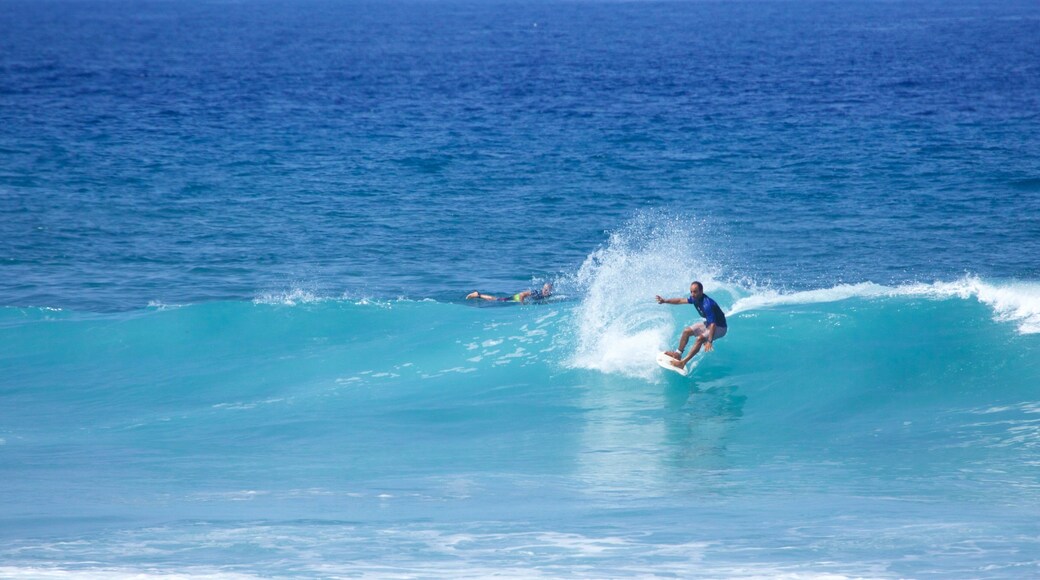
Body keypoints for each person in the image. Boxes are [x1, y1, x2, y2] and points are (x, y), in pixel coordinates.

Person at [656, 281, 727, 370]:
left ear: (701, 291)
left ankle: (683, 363)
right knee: (687, 331)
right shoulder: (695, 299)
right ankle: (678, 354)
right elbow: (680, 300)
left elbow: (713, 325)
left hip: (720, 327)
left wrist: (709, 341)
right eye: (691, 292)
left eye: (695, 292)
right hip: (709, 324)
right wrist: (665, 301)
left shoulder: (707, 304)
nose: (692, 294)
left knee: (700, 338)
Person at [467, 283, 553, 304]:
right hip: (516, 298)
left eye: (548, 290)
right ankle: (478, 295)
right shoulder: (536, 293)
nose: (546, 291)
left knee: (497, 299)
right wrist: (523, 304)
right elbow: (522, 294)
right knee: (496, 300)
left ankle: (478, 295)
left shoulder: (548, 295)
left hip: (517, 298)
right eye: (545, 289)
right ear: (542, 289)